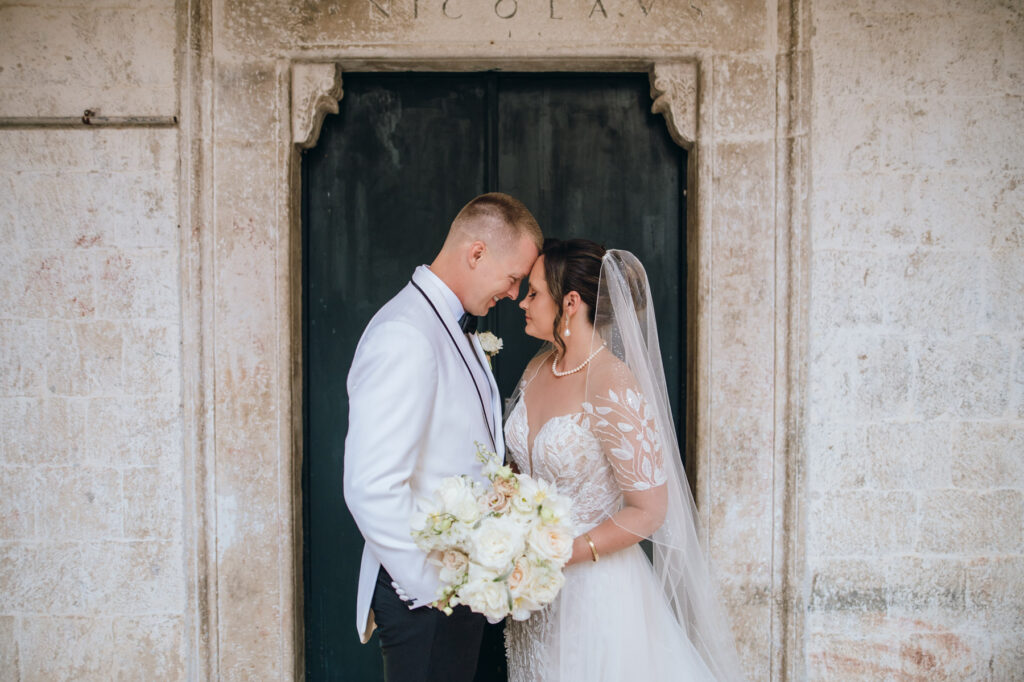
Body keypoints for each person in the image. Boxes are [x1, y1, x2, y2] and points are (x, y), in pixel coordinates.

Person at [504, 239, 746, 681]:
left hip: (594, 592)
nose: (523, 301)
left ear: (570, 302)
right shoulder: (537, 368)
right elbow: (520, 472)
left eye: (535, 292)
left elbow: (650, 510)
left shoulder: (611, 382)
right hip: (532, 595)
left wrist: (558, 554)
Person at [343, 193, 542, 682]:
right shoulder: (405, 335)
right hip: (427, 598)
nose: (514, 295)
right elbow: (370, 487)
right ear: (476, 254)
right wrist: (438, 589)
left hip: (460, 592)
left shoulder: (448, 326)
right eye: (513, 278)